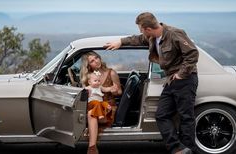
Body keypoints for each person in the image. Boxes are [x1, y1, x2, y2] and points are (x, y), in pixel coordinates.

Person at [105, 12, 198, 154]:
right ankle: (178, 149)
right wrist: (121, 42)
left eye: (141, 29)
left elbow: (192, 54)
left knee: (186, 117)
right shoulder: (151, 37)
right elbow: (136, 39)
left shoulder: (174, 33)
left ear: (148, 29)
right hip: (170, 80)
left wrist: (181, 74)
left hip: (185, 79)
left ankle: (190, 149)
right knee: (161, 115)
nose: (141, 32)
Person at [80, 51, 122, 154]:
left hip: (108, 106)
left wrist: (114, 90)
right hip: (94, 104)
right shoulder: (89, 77)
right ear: (89, 65)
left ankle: (92, 148)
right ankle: (92, 148)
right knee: (88, 112)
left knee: (91, 114)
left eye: (96, 58)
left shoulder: (111, 73)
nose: (96, 61)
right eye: (92, 61)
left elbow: (120, 91)